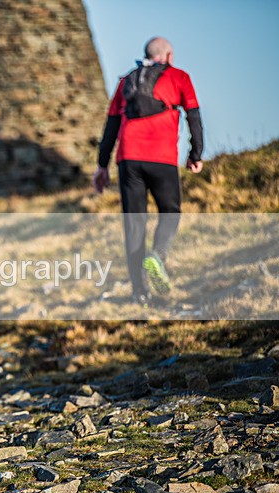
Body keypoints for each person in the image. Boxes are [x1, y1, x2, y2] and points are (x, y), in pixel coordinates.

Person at [93, 37, 204, 306]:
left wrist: (101, 165)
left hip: (128, 158)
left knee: (134, 225)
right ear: (168, 56)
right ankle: (158, 255)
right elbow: (193, 115)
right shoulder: (178, 77)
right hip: (161, 157)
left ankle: (139, 292)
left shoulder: (126, 81)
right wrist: (195, 154)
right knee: (170, 210)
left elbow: (111, 126)